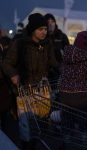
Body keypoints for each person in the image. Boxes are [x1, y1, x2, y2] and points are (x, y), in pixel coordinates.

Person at [2, 13, 58, 150]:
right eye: (41, 29)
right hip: (24, 92)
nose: (44, 32)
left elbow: (54, 63)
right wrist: (13, 74)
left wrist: (67, 71)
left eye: (45, 29)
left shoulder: (47, 44)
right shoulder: (20, 44)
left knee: (40, 128)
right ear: (33, 30)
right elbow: (6, 63)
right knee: (26, 130)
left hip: (42, 91)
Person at [44, 13, 70, 80]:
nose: (50, 24)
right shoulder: (42, 38)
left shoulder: (62, 36)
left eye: (52, 21)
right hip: (46, 73)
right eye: (48, 22)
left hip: (60, 72)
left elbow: (69, 53)